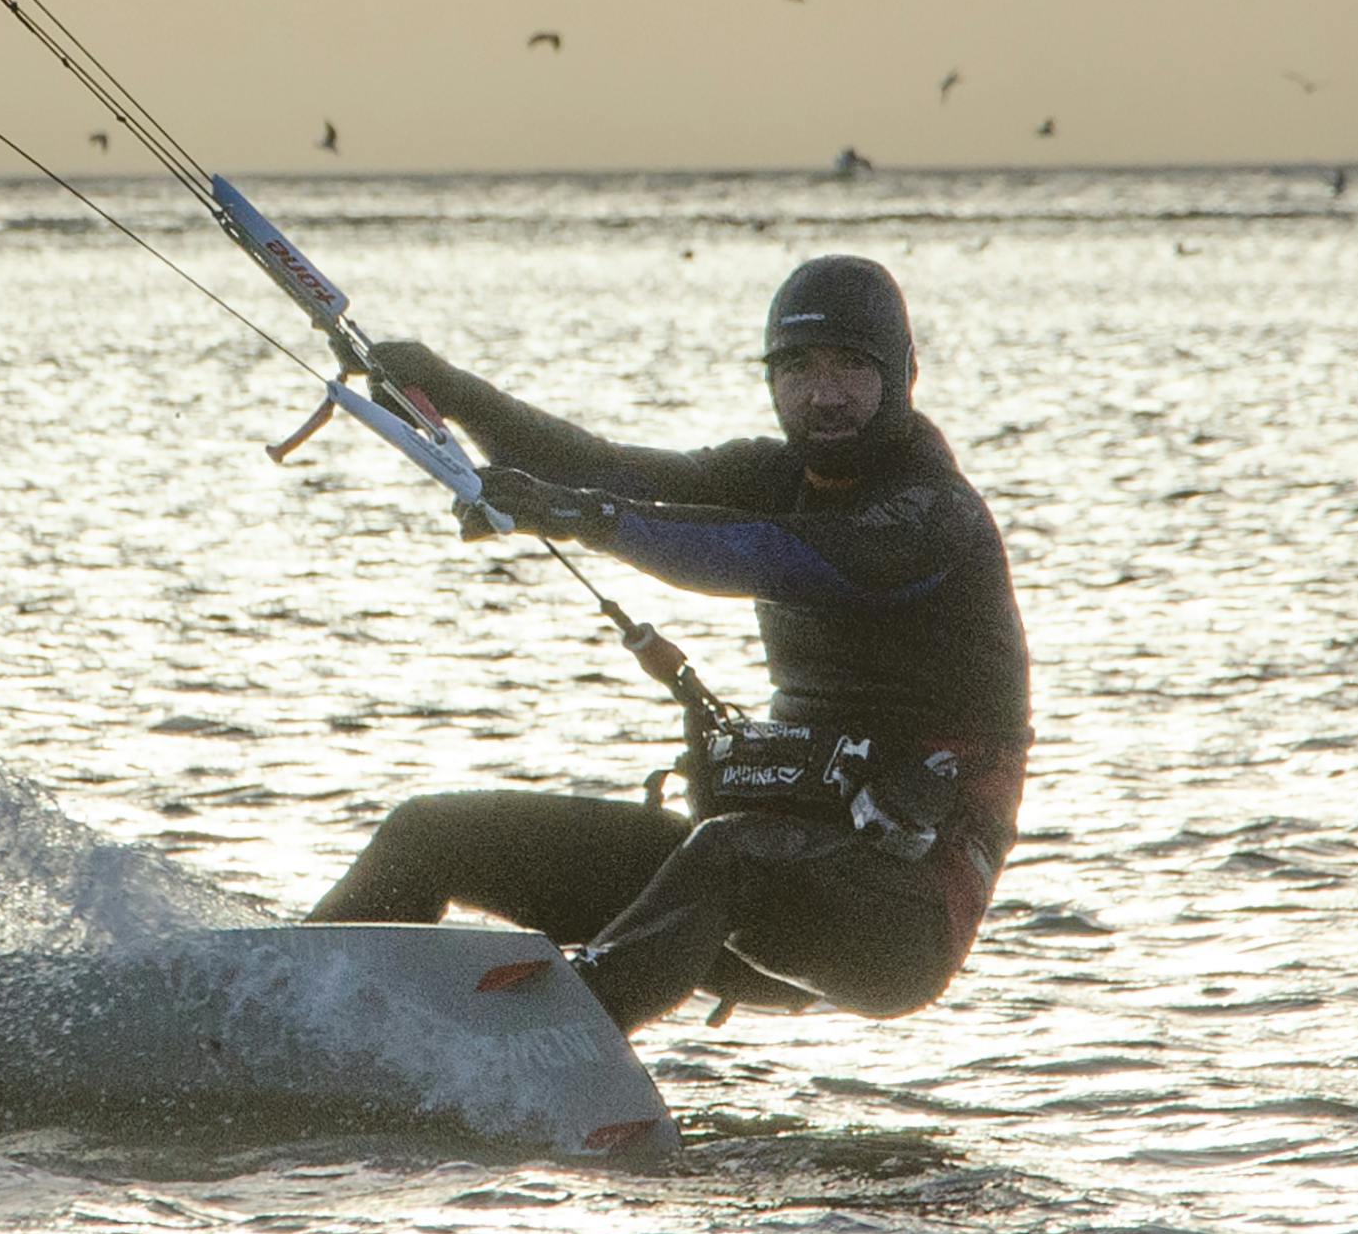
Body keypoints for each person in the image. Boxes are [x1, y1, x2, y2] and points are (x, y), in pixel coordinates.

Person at [308, 254, 1028, 1028]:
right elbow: (601, 466)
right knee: (433, 833)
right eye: (797, 368)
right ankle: (285, 1009)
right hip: (751, 876)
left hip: (897, 918)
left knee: (727, 854)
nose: (823, 395)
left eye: (852, 367)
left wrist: (580, 515)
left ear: (906, 372)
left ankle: (534, 1047)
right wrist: (443, 386)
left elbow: (769, 553)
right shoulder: (774, 475)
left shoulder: (930, 516)